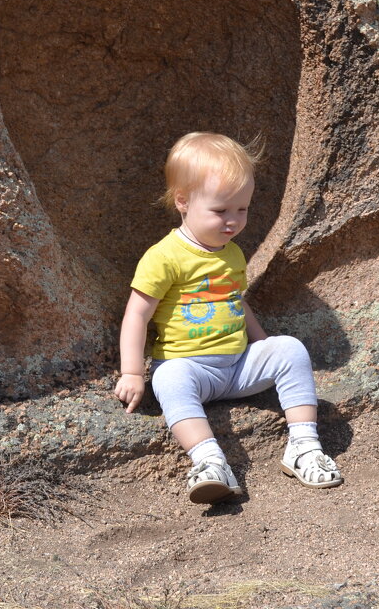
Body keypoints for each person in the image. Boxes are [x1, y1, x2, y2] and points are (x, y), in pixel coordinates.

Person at [113, 132, 342, 504]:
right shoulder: (164, 256)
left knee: (290, 349)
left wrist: (262, 341)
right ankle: (209, 462)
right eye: (220, 211)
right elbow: (137, 313)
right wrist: (132, 372)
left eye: (242, 209)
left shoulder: (232, 253)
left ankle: (303, 446)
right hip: (191, 368)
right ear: (183, 201)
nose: (233, 221)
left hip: (238, 368)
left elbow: (237, 301)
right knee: (168, 378)